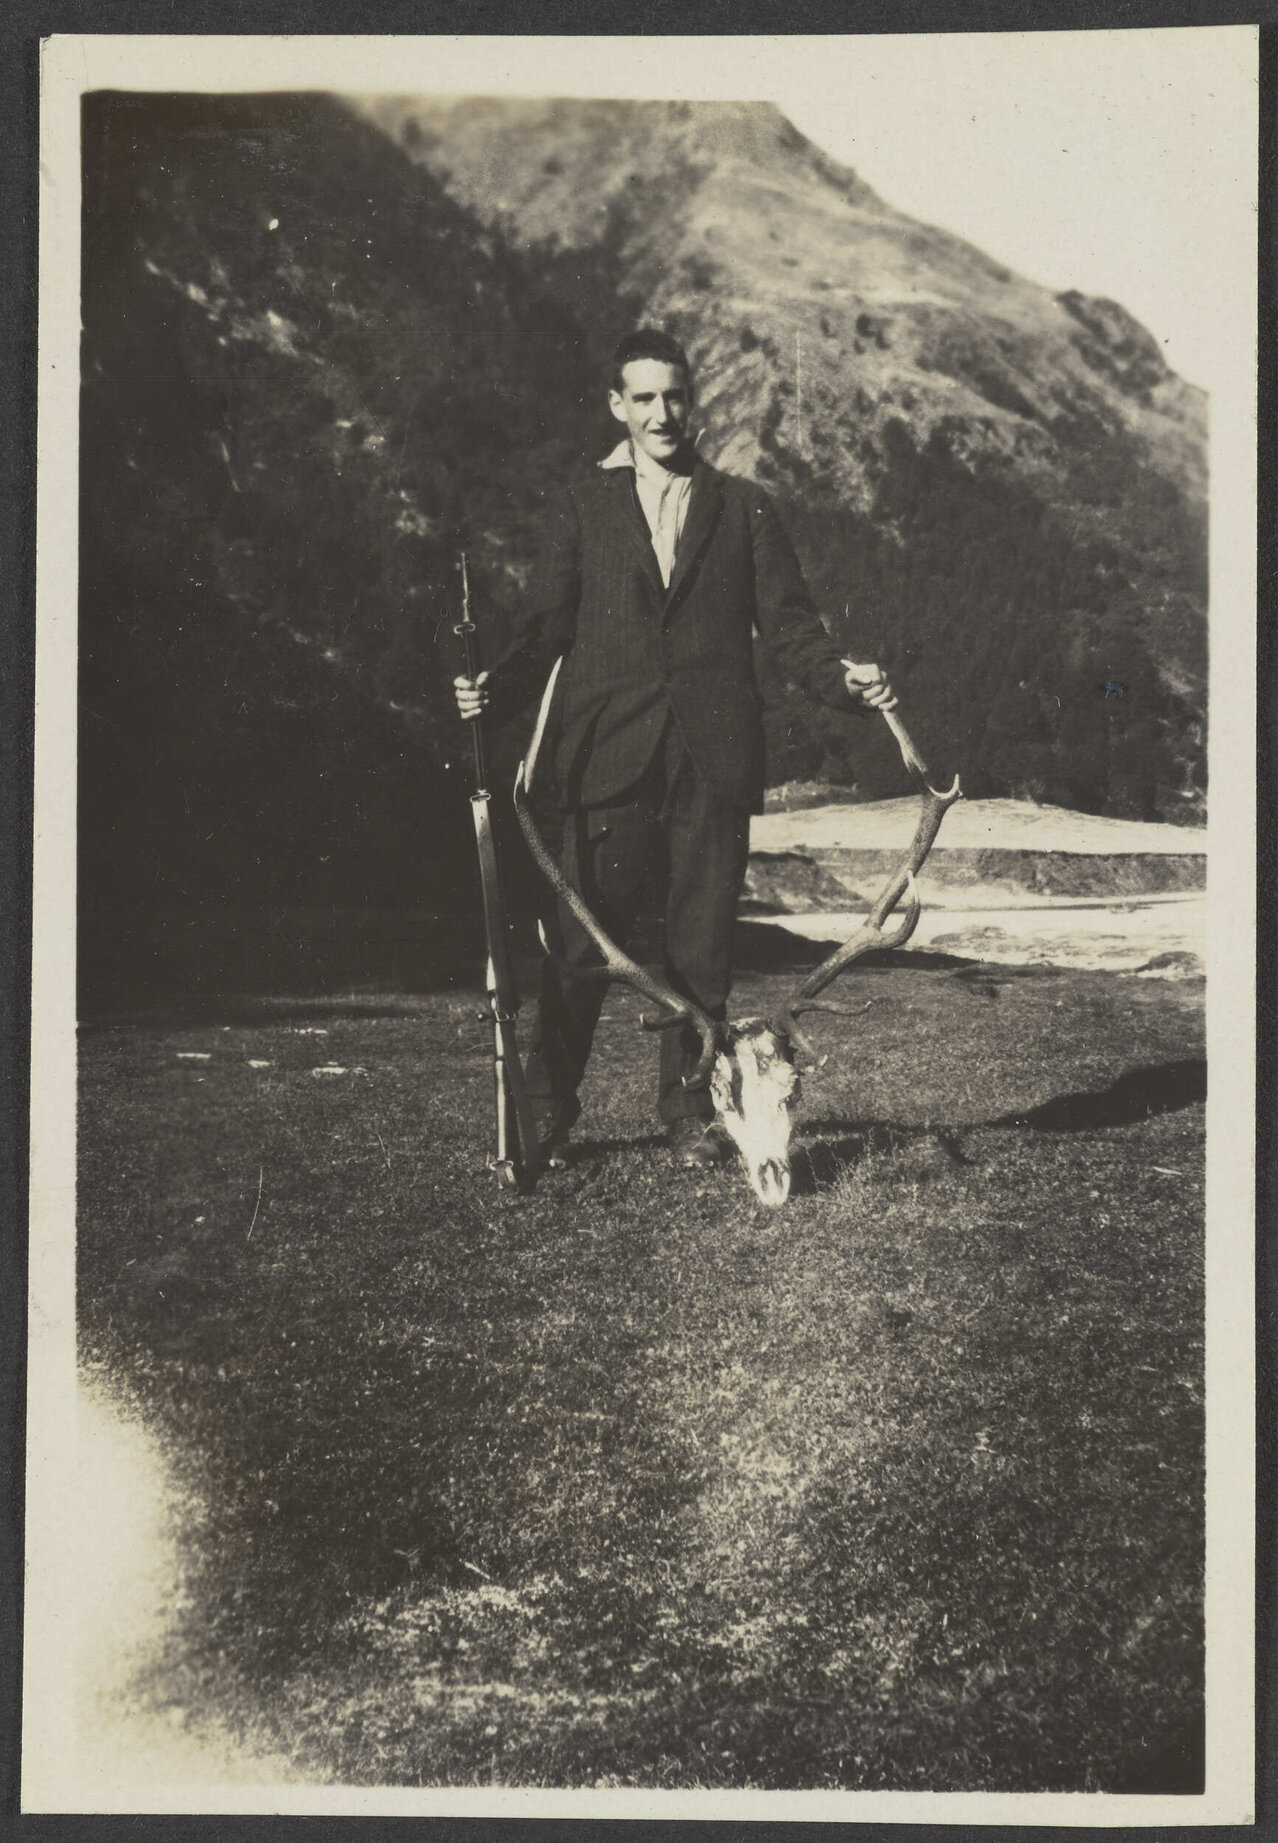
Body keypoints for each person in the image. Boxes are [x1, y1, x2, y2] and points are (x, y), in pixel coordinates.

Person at [455, 328, 896, 1169]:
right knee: (582, 942)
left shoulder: (744, 506)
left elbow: (792, 627)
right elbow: (547, 625)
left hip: (712, 760)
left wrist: (844, 680)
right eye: (644, 398)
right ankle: (544, 1112)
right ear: (616, 406)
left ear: (694, 401)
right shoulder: (582, 506)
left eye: (675, 396)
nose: (662, 414)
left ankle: (692, 1113)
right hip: (607, 751)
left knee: (700, 948)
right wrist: (495, 690)